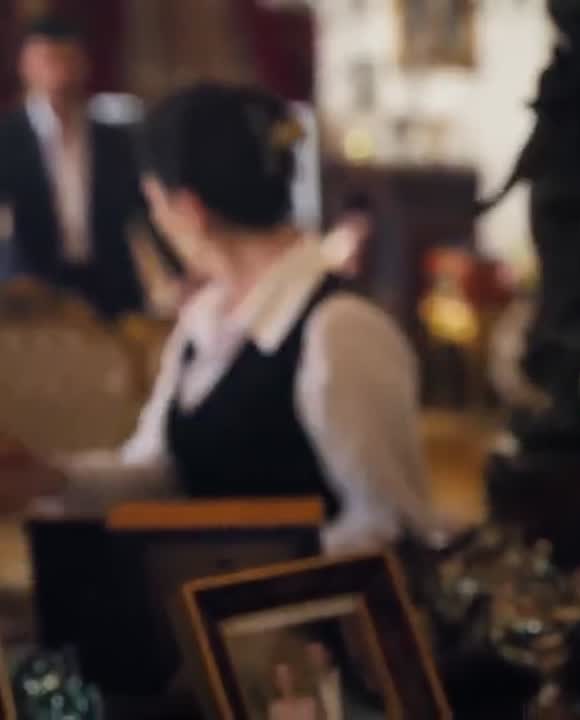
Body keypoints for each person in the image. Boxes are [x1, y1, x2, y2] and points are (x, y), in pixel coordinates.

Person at [0, 83, 446, 556]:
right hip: (209, 600)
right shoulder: (205, 318)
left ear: (188, 209)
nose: (156, 219)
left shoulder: (339, 327)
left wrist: (247, 569)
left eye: (154, 203)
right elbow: (160, 472)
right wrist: (50, 478)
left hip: (303, 605)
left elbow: (391, 526)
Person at [0, 14, 181, 317]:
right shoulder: (7, 138)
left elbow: (148, 210)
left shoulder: (117, 140)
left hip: (110, 285)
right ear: (25, 66)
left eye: (66, 59)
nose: (58, 71)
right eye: (48, 60)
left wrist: (178, 273)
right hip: (31, 286)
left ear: (84, 64)